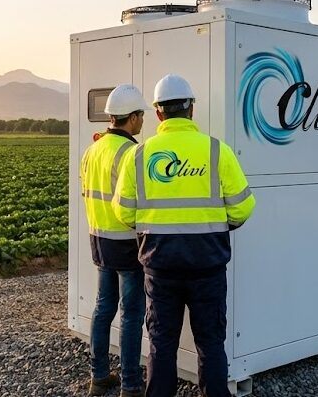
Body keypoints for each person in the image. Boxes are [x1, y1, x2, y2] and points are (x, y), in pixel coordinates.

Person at [111, 74, 256, 397]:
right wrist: (219, 225)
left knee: (162, 343)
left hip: (160, 267)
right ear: (191, 109)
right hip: (208, 266)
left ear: (158, 113)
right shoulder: (217, 151)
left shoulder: (138, 155)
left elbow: (122, 212)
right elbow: (244, 208)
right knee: (210, 343)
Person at [80, 84, 151, 397]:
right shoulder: (131, 152)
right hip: (126, 243)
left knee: (103, 306)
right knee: (132, 314)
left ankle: (98, 377)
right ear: (132, 118)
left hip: (99, 238)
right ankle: (131, 384)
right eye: (141, 116)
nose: (143, 121)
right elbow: (137, 203)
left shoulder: (92, 149)